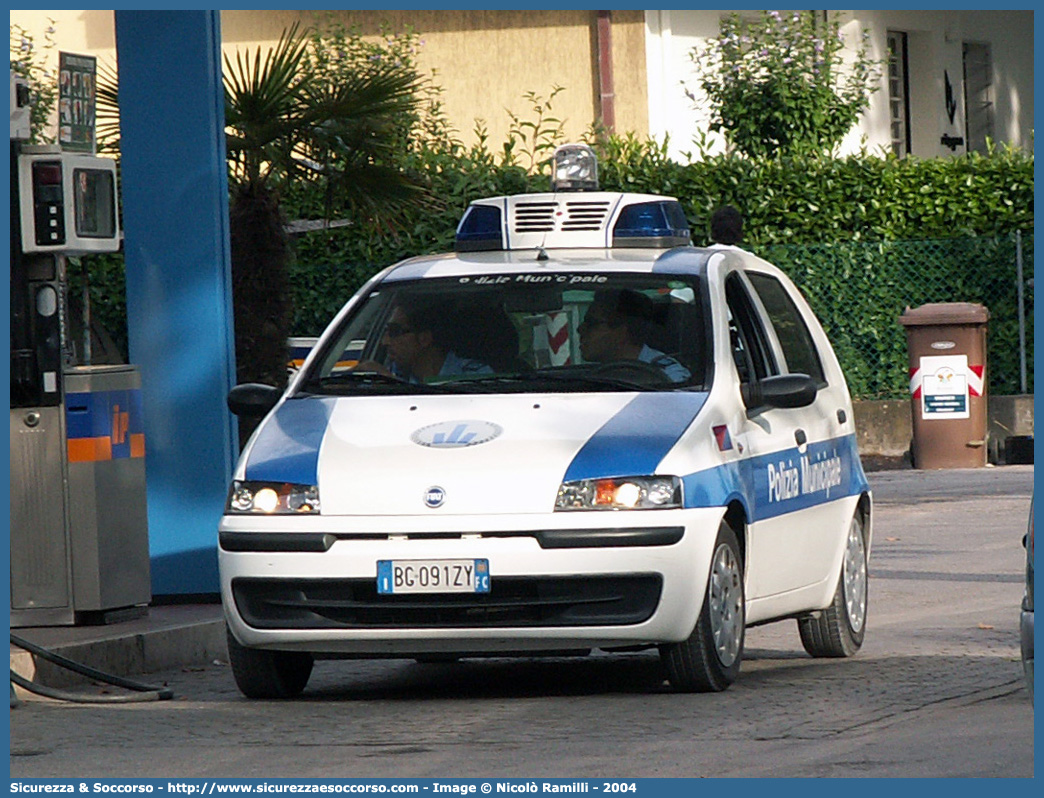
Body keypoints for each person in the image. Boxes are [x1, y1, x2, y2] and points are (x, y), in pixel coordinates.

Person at [356, 298, 493, 383]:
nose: (384, 342)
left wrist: (395, 385)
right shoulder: (388, 372)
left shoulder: (476, 376)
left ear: (424, 339)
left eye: (394, 332)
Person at [578, 289, 691, 383]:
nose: (580, 329)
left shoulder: (669, 376)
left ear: (621, 332)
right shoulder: (586, 377)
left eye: (592, 323)